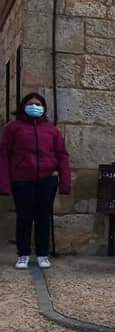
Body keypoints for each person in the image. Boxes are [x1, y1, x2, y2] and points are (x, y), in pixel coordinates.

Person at [0, 93, 71, 270]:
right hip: (22, 180)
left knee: (43, 218)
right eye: (30, 104)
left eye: (38, 104)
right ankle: (23, 254)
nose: (34, 106)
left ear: (44, 107)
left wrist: (65, 183)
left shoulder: (51, 130)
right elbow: (4, 156)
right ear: (23, 106)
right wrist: (5, 184)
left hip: (47, 180)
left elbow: (62, 155)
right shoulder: (13, 128)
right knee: (23, 218)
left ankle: (42, 254)